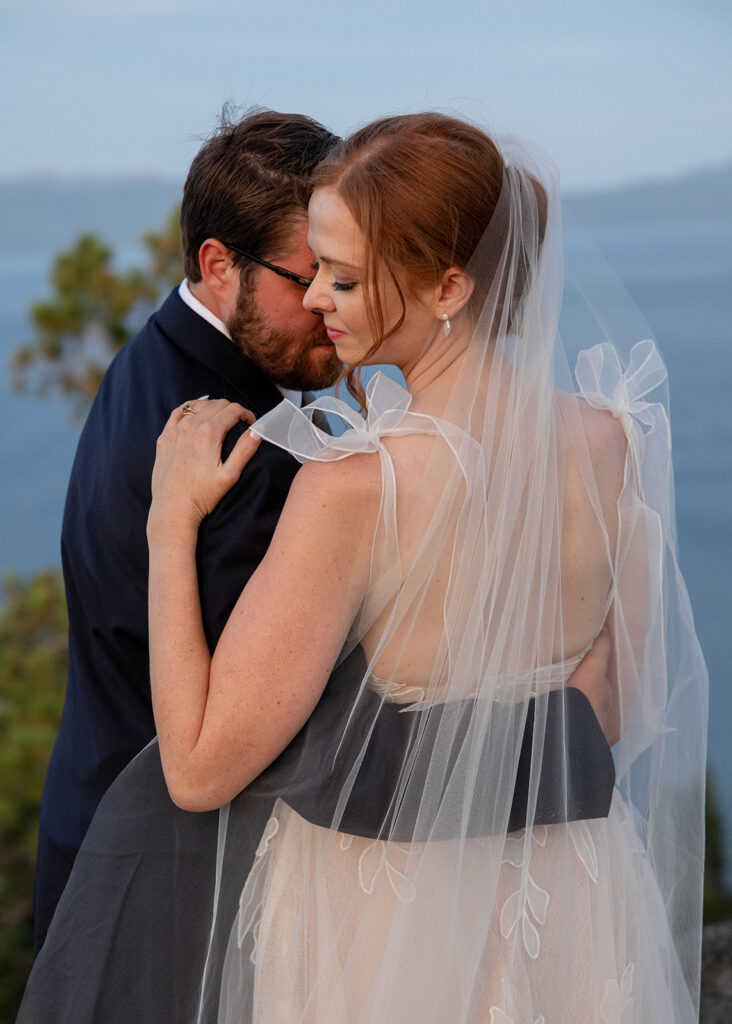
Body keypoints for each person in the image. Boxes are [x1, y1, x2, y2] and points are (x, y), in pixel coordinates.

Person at [31, 105, 615, 968]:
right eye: (313, 273)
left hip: (395, 899)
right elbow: (299, 740)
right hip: (166, 890)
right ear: (218, 265)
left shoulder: (172, 373)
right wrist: (567, 755)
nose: (319, 302)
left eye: (345, 276)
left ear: (443, 281)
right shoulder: (236, 448)